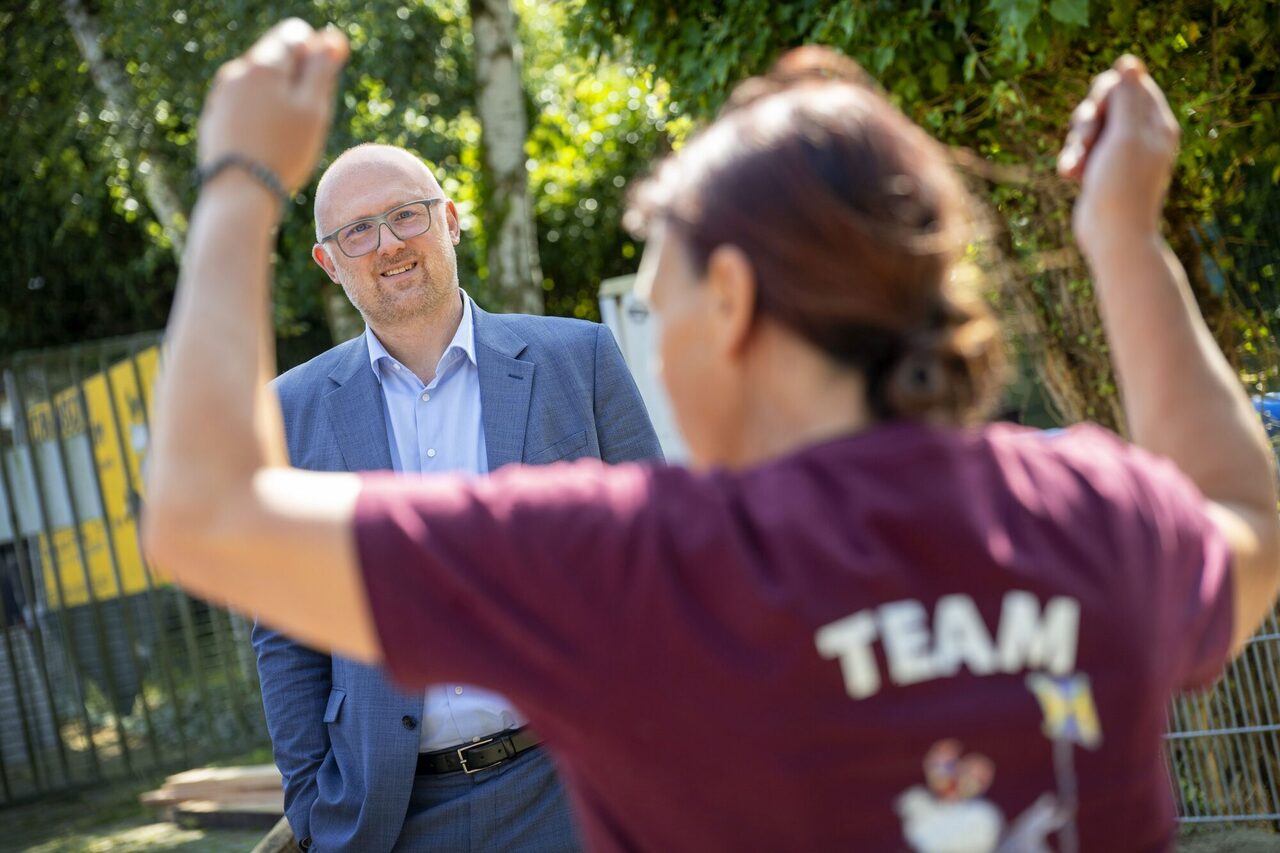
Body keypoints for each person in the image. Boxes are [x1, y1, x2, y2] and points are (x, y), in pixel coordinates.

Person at [147, 20, 1280, 853]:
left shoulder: (637, 566)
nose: (651, 317)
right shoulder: (1089, 512)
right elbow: (1247, 522)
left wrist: (239, 182)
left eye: (658, 271)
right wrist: (1125, 234)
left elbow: (204, 514)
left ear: (730, 299)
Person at [250, 139, 661, 850]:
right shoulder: (288, 414)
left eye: (407, 215)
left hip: (577, 787)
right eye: (359, 230)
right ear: (330, 261)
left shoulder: (580, 360)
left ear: (451, 219)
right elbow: (286, 632)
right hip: (397, 817)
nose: (389, 245)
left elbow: (663, 563)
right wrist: (317, 807)